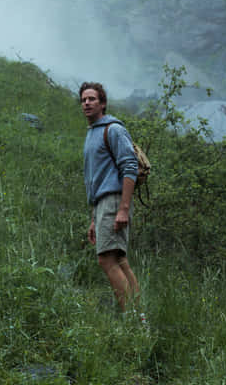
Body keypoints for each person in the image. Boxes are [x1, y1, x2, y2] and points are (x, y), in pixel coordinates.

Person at [80, 81, 143, 319]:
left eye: (92, 99)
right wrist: (95, 218)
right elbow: (99, 177)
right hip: (103, 203)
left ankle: (132, 319)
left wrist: (123, 208)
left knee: (106, 260)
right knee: (119, 259)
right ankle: (140, 317)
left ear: (103, 103)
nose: (87, 103)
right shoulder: (93, 132)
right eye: (84, 100)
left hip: (115, 200)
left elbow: (130, 167)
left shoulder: (113, 129)